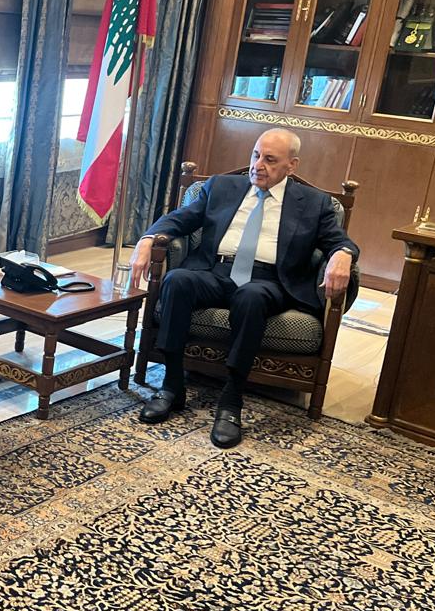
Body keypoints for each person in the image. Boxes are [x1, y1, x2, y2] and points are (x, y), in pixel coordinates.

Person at [129, 128, 357, 448]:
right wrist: (147, 239)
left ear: (291, 165)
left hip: (269, 280)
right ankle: (172, 385)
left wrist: (343, 254)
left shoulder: (314, 203)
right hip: (216, 270)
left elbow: (339, 241)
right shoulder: (221, 186)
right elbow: (180, 219)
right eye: (255, 155)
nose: (257, 165)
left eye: (270, 160)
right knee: (177, 280)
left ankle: (231, 400)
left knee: (250, 297)